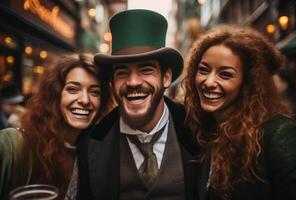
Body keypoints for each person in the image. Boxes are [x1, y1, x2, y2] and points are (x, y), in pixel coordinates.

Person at [77, 9, 199, 200]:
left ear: (166, 77)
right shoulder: (89, 144)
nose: (133, 82)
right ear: (112, 82)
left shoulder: (199, 132)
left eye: (146, 69)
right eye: (122, 72)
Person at [183, 26, 296, 200]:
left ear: (248, 83)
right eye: (204, 70)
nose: (208, 82)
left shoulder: (279, 133)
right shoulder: (206, 132)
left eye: (225, 74)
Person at [0, 53, 112, 200]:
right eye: (73, 89)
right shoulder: (11, 145)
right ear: (55, 95)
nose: (85, 100)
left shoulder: (96, 155)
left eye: (94, 92)